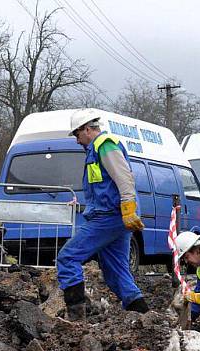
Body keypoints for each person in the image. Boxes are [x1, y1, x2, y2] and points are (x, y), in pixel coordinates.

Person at [56, 108, 148, 321]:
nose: (77, 140)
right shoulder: (95, 150)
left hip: (110, 217)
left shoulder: (104, 145)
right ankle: (144, 318)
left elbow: (124, 177)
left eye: (77, 135)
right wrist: (83, 205)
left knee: (68, 257)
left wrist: (127, 207)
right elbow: (103, 187)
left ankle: (76, 319)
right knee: (115, 272)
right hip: (112, 216)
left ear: (87, 129)